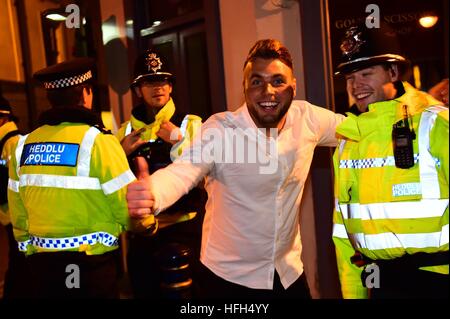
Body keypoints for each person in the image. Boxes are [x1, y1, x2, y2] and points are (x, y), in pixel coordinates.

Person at [127, 39, 345, 299]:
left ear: (293, 86)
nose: (268, 91)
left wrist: (400, 107)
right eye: (256, 82)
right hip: (227, 281)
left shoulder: (309, 119)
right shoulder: (220, 131)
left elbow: (357, 131)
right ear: (244, 88)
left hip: (288, 273)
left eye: (278, 81)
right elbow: (183, 172)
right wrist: (153, 191)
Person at [331, 22, 449, 299]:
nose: (355, 85)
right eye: (350, 77)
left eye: (366, 73)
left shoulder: (434, 124)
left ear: (393, 72)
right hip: (381, 284)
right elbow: (343, 235)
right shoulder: (348, 141)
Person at [7, 58, 137, 298]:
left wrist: (27, 247)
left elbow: (17, 206)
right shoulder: (99, 141)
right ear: (86, 94)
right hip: (90, 266)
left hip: (42, 266)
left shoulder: (22, 145)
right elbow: (126, 206)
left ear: (51, 98)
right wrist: (147, 226)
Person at [117, 49, 206, 299]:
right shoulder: (123, 132)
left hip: (184, 230)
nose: (158, 87)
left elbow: (205, 170)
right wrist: (121, 153)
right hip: (142, 236)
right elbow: (111, 182)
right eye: (149, 82)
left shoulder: (190, 123)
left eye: (163, 81)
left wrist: (178, 141)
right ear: (137, 90)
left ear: (171, 86)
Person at [0, 95, 31, 298]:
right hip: (12, 214)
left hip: (18, 216)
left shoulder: (14, 142)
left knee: (20, 263)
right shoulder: (8, 142)